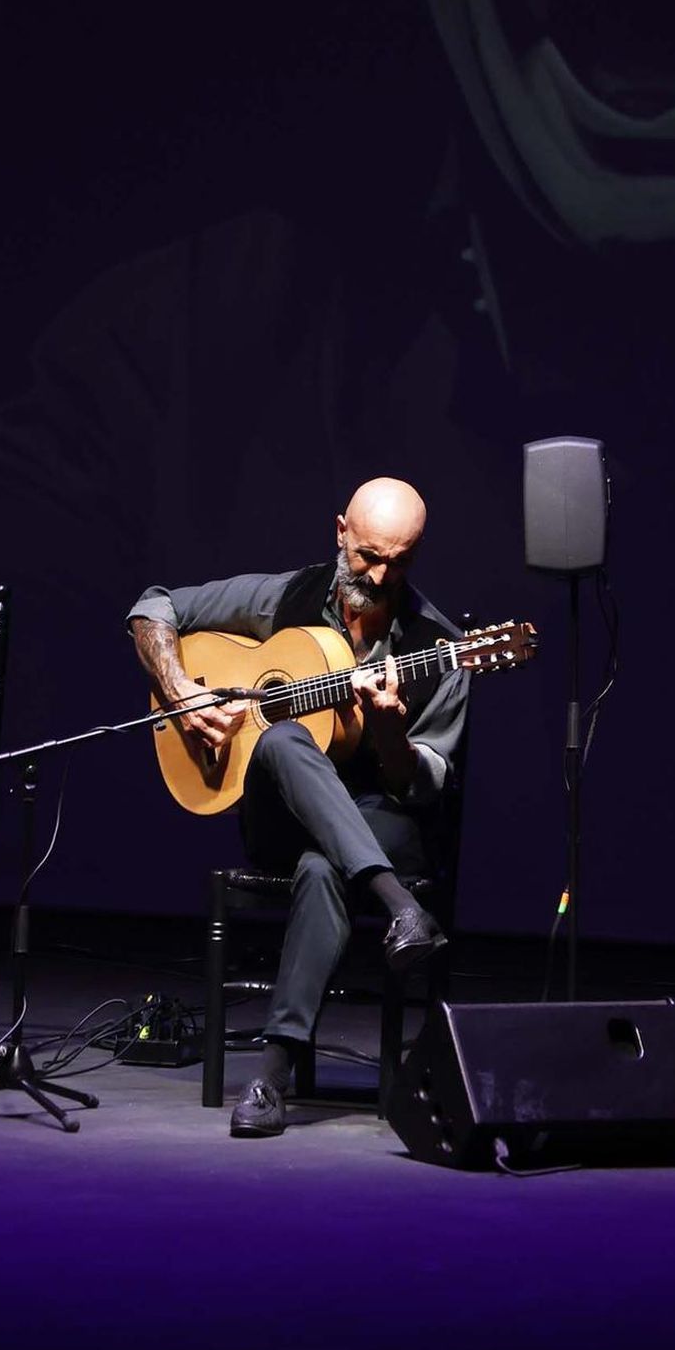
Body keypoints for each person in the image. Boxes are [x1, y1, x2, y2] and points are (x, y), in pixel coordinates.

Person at [128, 475, 468, 1137]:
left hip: (382, 821)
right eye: (368, 553)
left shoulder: (440, 646)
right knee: (283, 737)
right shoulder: (286, 596)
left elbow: (422, 786)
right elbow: (153, 606)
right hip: (278, 818)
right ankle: (404, 909)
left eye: (398, 560)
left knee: (323, 868)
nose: (378, 572)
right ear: (340, 529)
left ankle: (270, 1077)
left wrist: (389, 728)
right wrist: (180, 690)